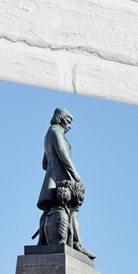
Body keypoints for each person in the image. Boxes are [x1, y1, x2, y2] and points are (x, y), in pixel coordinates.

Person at [36, 107, 94, 257]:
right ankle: (76, 243)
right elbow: (64, 156)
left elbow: (44, 163)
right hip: (61, 179)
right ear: (61, 119)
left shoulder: (49, 134)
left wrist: (52, 166)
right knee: (73, 210)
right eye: (68, 121)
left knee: (54, 211)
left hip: (52, 178)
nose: (69, 126)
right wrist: (76, 176)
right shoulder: (56, 132)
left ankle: (45, 241)